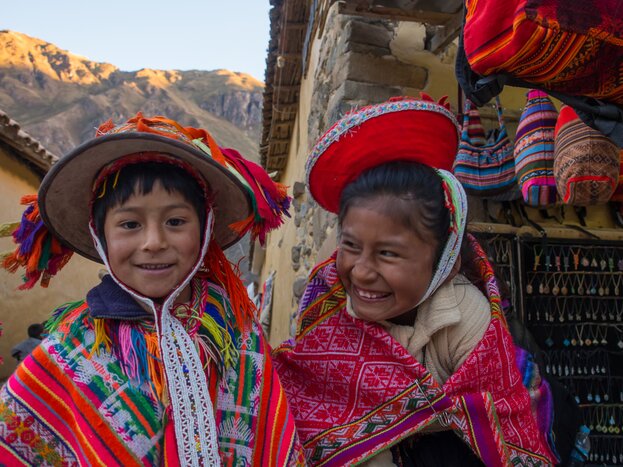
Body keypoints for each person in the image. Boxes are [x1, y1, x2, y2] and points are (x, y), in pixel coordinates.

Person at [0, 114, 304, 466]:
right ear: (101, 238)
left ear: (204, 230)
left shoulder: (236, 334)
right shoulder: (72, 352)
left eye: (175, 222)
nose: (154, 242)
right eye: (130, 224)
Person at [273, 95, 557, 466]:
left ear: (444, 262)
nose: (360, 271)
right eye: (351, 246)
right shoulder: (328, 300)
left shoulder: (466, 318)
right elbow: (318, 401)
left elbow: (509, 438)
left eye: (388, 254)